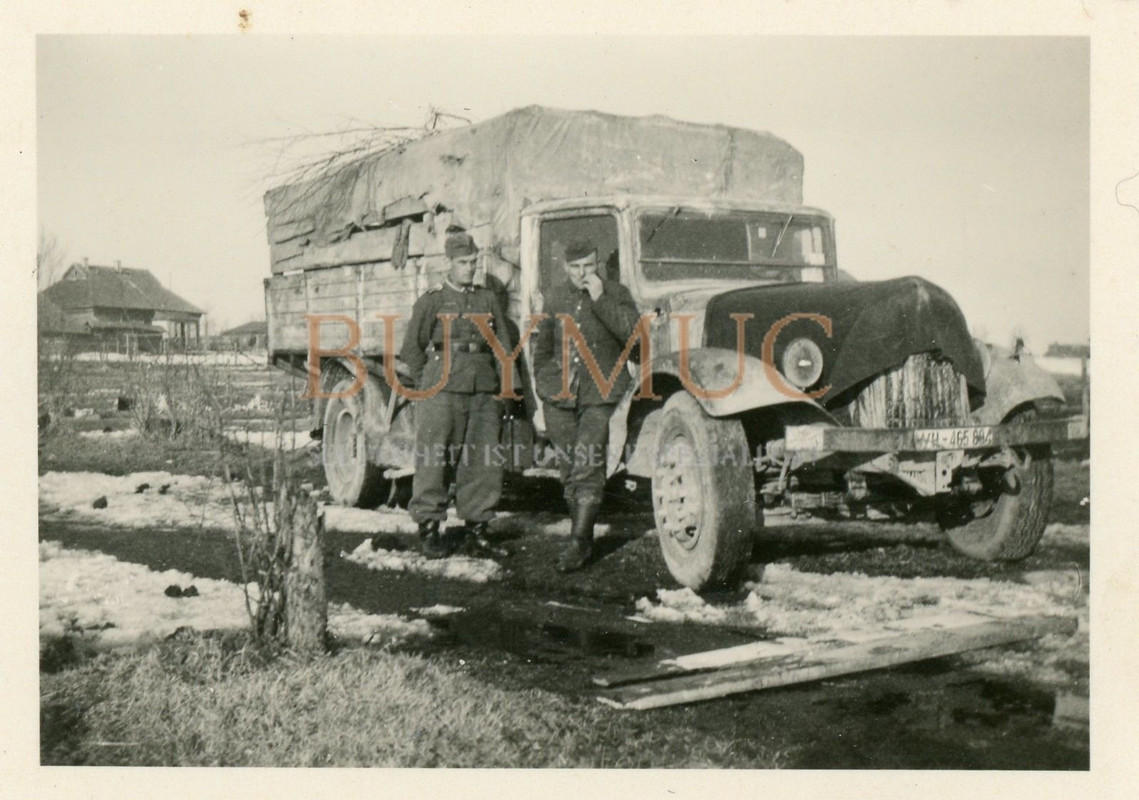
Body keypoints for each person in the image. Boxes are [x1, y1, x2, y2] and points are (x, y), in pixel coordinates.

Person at [400, 231, 513, 559]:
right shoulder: (432, 301)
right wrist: (429, 382)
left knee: (482, 463)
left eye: (473, 262)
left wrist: (505, 390)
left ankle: (478, 530)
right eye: (463, 262)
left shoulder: (487, 300)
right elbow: (411, 348)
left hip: (482, 390)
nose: (469, 268)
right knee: (434, 459)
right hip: (442, 392)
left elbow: (503, 346)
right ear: (448, 263)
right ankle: (430, 529)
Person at [532, 240, 642, 572]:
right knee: (568, 469)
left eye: (589, 266)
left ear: (597, 264)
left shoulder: (616, 293)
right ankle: (580, 536)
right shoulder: (554, 297)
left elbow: (635, 337)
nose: (583, 273)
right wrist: (544, 383)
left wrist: (600, 299)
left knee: (587, 462)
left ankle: (580, 542)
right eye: (576, 267)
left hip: (602, 392)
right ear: (566, 268)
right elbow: (543, 348)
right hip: (559, 394)